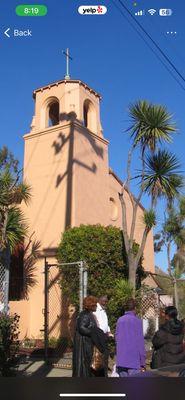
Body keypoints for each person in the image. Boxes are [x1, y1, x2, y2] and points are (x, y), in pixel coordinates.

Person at [72, 295, 107, 377]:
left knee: (88, 366)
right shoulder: (85, 315)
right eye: (95, 305)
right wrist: (93, 333)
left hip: (87, 343)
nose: (96, 307)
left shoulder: (89, 314)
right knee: (85, 364)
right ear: (90, 306)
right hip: (84, 345)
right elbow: (81, 328)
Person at [115, 298, 146, 377]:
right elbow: (140, 343)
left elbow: (117, 339)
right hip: (134, 361)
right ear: (135, 308)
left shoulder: (120, 320)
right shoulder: (137, 321)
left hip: (121, 360)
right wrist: (142, 362)